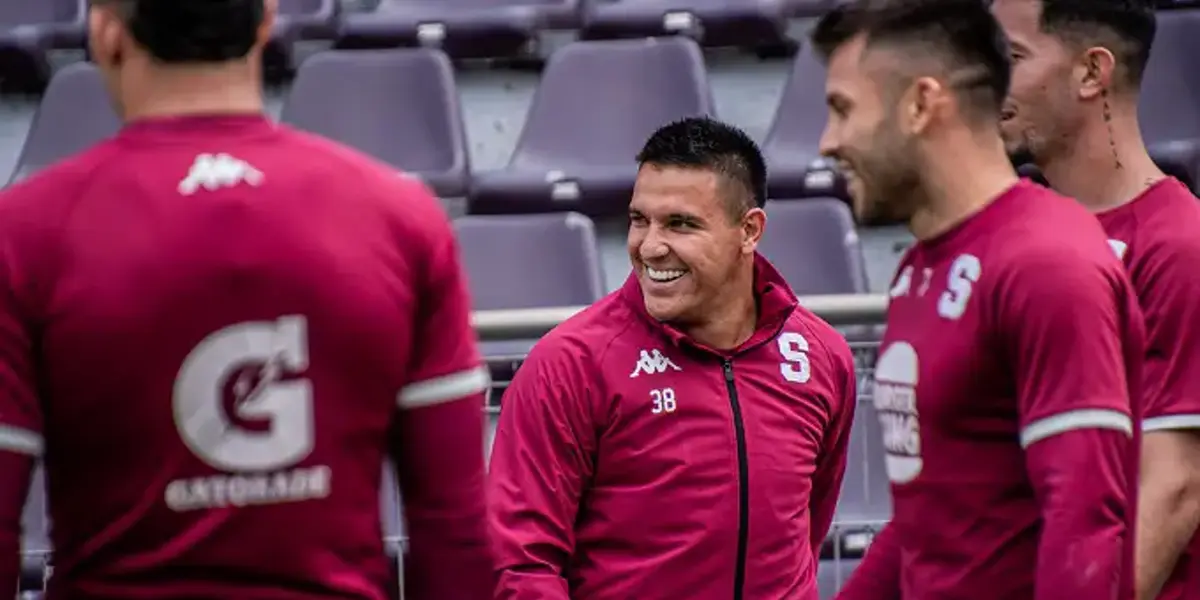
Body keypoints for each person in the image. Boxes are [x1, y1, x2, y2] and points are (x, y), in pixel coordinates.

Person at [0, 0, 492, 598]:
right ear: (266, 21)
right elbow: (455, 529)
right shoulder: (400, 218)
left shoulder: (22, 233)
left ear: (104, 31)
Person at [811, 0, 1145, 598]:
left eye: (842, 110)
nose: (827, 143)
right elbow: (928, 522)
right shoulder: (920, 268)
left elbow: (1085, 526)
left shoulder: (1047, 264)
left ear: (920, 104)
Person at [487, 116, 858, 600]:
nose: (650, 246)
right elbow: (520, 562)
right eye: (640, 220)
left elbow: (806, 530)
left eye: (680, 224)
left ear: (749, 230)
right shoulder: (570, 363)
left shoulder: (822, 356)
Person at [992, 1, 1200, 597]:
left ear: (1091, 73)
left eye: (1010, 57)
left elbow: (1176, 485)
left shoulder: (1178, 245)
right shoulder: (1013, 236)